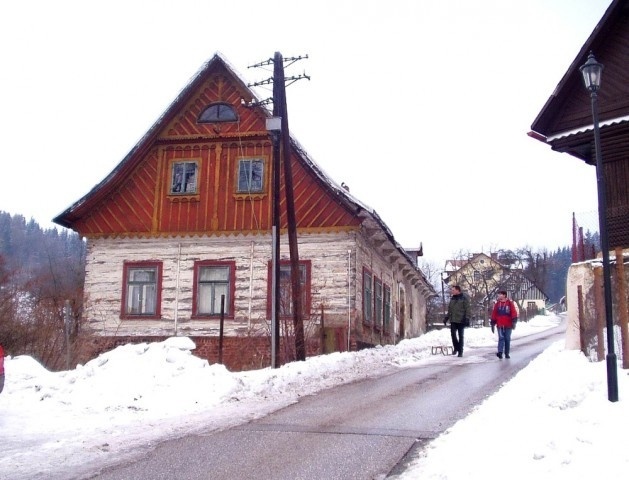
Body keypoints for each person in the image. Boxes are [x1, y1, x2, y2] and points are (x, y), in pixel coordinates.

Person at [444, 285, 471, 357]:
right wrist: (446, 318)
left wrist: (467, 318)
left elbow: (467, 309)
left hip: (461, 319)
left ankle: (460, 351)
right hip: (453, 319)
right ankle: (456, 347)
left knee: (460, 336)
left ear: (458, 290)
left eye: (453, 290)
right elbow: (450, 309)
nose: (452, 291)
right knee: (453, 334)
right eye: (452, 290)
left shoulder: (464, 298)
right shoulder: (452, 299)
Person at [491, 290, 518, 359]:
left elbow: (513, 312)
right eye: (498, 294)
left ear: (504, 295)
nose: (499, 295)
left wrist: (514, 321)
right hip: (499, 324)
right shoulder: (497, 304)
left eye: (500, 294)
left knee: (507, 338)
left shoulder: (509, 303)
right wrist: (492, 322)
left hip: (508, 324)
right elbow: (494, 313)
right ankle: (500, 352)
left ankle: (506, 353)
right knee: (501, 338)